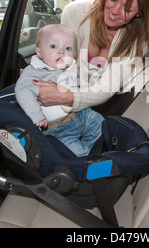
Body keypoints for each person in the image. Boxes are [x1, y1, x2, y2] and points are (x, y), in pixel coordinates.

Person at [34, 0, 149, 113]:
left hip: (114, 99)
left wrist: (64, 98)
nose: (114, 11)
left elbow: (108, 87)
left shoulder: (139, 39)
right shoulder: (76, 13)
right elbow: (61, 63)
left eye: (127, 9)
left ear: (138, 13)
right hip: (74, 88)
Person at [15, 24, 104, 157]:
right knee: (77, 154)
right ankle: (84, 160)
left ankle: (94, 153)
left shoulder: (69, 67)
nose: (61, 51)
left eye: (67, 48)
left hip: (82, 115)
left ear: (74, 55)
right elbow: (22, 90)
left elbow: (75, 80)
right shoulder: (35, 72)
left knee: (102, 126)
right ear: (39, 52)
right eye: (53, 46)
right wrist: (35, 115)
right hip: (59, 129)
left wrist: (85, 86)